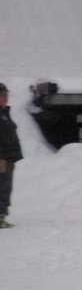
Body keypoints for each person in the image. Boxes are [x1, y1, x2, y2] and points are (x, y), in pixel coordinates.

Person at [0, 83, 23, 229]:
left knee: (5, 186)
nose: (5, 98)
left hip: (8, 157)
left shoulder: (4, 113)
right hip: (2, 157)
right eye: (2, 96)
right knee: (2, 186)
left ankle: (1, 215)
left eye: (5, 95)